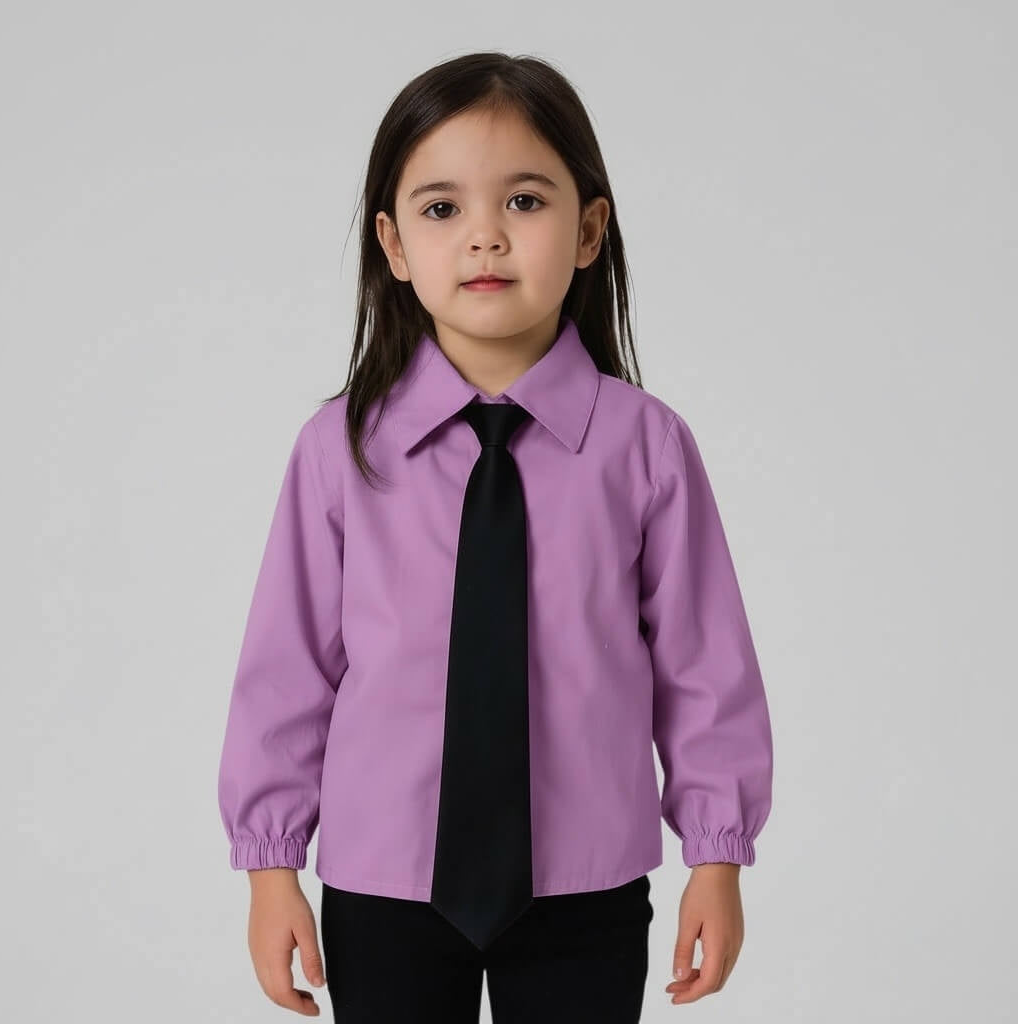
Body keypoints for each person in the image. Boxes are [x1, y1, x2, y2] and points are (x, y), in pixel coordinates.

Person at [217, 51, 774, 1023]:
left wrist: (716, 856)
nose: (484, 235)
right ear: (393, 244)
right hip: (384, 884)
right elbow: (287, 667)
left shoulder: (645, 447)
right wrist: (272, 868)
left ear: (589, 229)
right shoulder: (340, 450)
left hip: (585, 886)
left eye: (523, 201)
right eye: (441, 209)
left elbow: (702, 661)